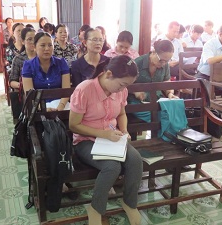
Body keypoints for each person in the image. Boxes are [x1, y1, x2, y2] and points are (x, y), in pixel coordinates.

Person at [69, 55, 142, 225]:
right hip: (85, 141)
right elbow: (74, 125)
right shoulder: (84, 90)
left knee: (136, 160)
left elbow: (122, 113)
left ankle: (129, 203)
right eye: (122, 84)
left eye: (127, 86)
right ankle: (96, 209)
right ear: (108, 74)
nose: (124, 89)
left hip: (112, 138)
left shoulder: (120, 90)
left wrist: (123, 130)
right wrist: (103, 134)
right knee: (112, 166)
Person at [127, 40, 179, 122]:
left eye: (167, 61)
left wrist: (170, 93)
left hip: (157, 99)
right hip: (136, 101)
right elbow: (124, 84)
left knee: (173, 112)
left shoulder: (165, 65)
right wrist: (135, 92)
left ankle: (166, 133)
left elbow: (166, 82)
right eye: (161, 60)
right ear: (154, 52)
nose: (164, 63)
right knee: (158, 117)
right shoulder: (137, 63)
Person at [22, 32, 71, 111]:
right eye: (42, 45)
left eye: (50, 45)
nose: (47, 49)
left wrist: (60, 107)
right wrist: (43, 108)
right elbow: (30, 95)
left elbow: (66, 91)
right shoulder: (28, 65)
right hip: (38, 106)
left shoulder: (61, 63)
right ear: (34, 47)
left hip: (61, 104)